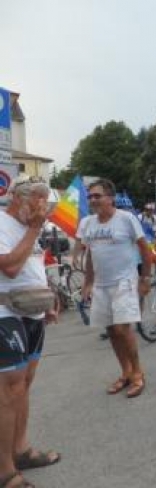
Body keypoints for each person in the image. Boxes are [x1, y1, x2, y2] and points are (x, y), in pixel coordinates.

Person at [0, 176, 60, 488]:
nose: (42, 207)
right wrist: (35, 228)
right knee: (9, 390)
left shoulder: (28, 227)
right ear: (18, 200)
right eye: (37, 200)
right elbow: (9, 267)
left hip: (32, 312)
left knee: (23, 386)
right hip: (5, 312)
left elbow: (32, 265)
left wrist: (49, 298)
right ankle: (5, 470)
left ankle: (21, 450)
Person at [77, 178, 152, 399]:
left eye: (97, 196)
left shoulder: (126, 219)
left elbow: (145, 250)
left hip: (125, 282)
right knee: (110, 331)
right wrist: (88, 282)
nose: (92, 200)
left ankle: (138, 372)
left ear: (110, 198)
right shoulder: (88, 223)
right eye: (90, 196)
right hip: (101, 285)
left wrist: (145, 278)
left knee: (122, 329)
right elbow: (91, 254)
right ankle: (126, 372)